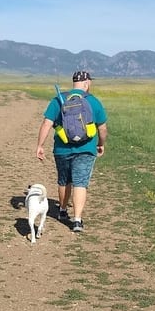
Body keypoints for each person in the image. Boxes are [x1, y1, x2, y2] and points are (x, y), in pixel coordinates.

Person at [36, 70, 108, 232]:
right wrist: (101, 143)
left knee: (64, 180)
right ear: (87, 83)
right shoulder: (93, 101)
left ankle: (62, 210)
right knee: (80, 183)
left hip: (62, 149)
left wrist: (40, 145)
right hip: (86, 149)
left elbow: (47, 124)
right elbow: (102, 128)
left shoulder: (58, 100)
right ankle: (77, 220)